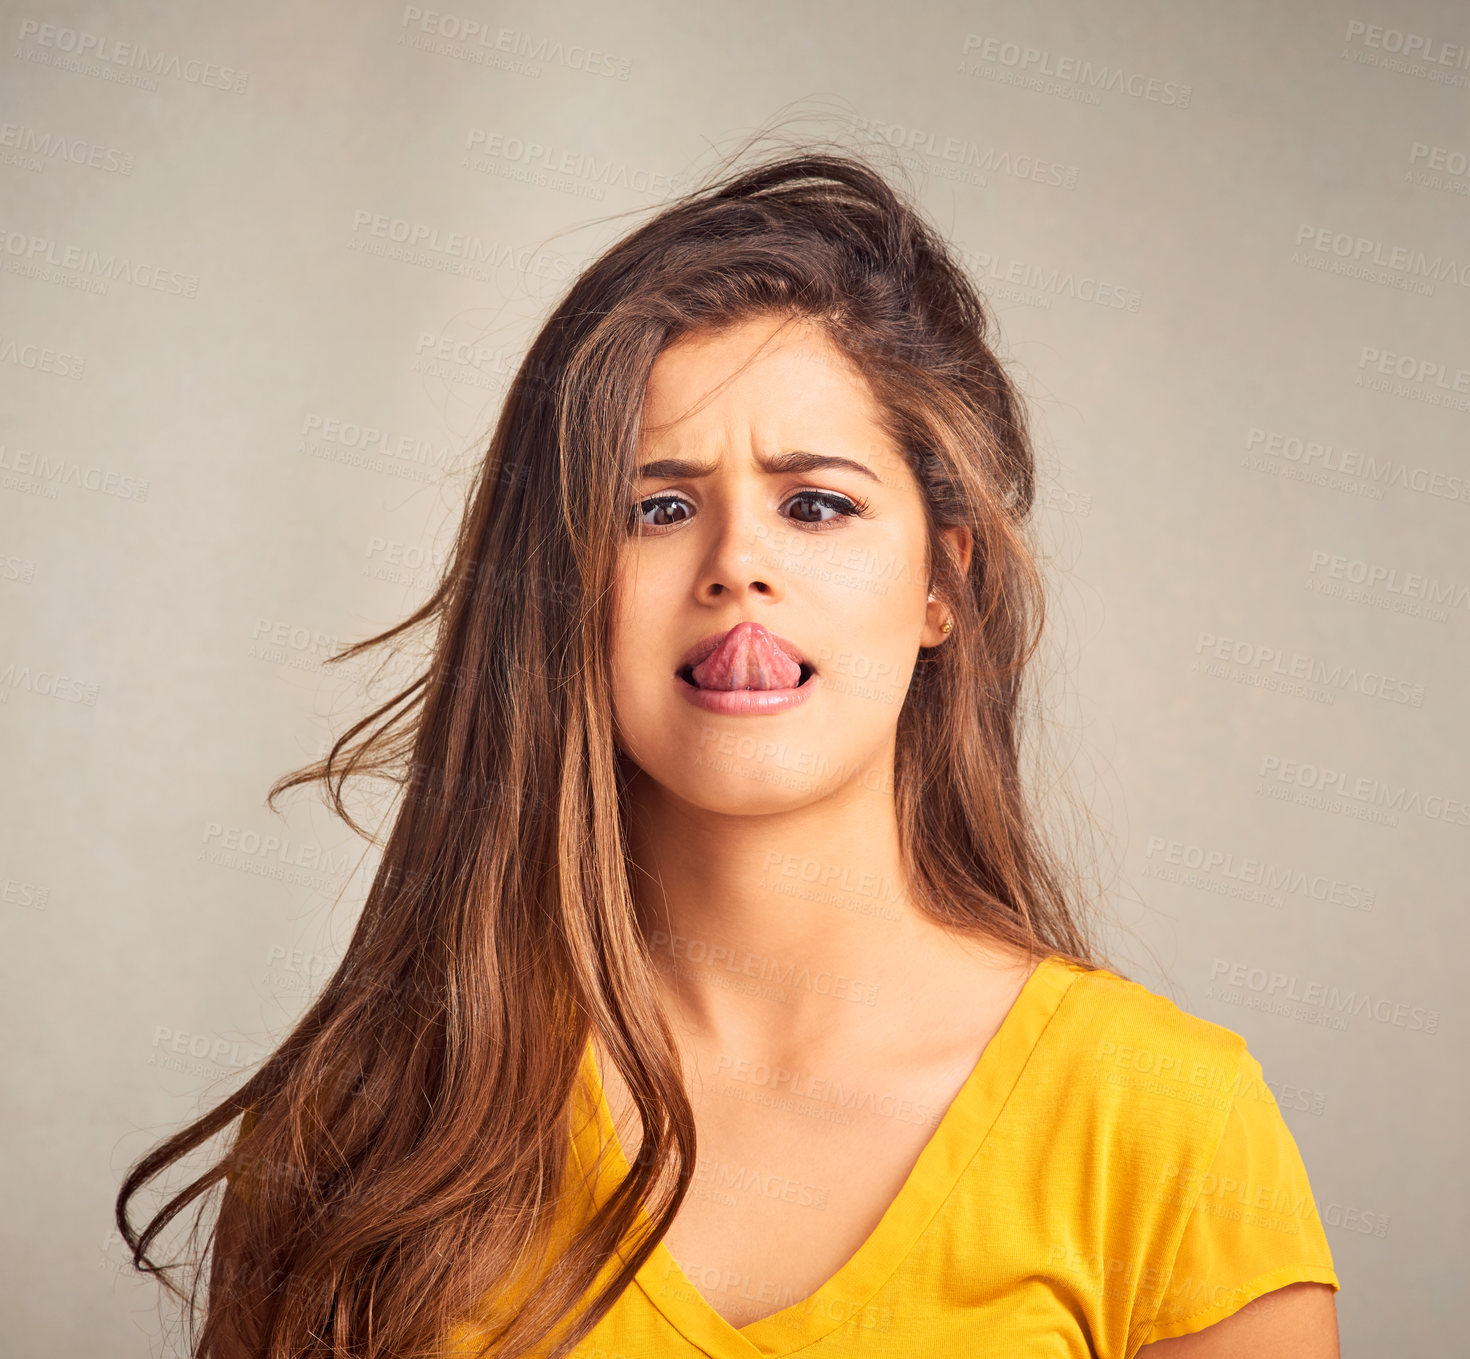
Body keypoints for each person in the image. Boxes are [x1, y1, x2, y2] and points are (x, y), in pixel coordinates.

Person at [116, 149, 1340, 1358]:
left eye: (816, 504)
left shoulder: (1172, 1119)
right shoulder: (372, 1120)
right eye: (655, 507)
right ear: (560, 591)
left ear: (942, 583)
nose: (735, 564)